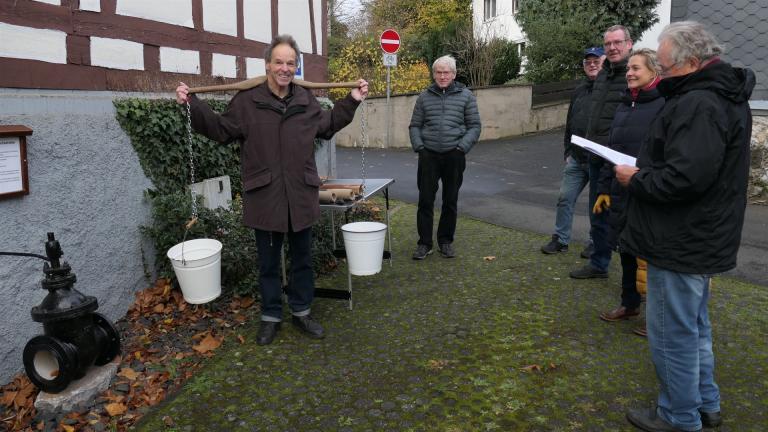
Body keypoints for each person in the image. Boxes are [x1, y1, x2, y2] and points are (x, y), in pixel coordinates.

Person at [175, 34, 369, 346]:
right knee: (267, 262)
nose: (284, 68)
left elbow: (329, 124)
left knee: (302, 259)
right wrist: (192, 106)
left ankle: (302, 311)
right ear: (267, 65)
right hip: (264, 195)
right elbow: (221, 130)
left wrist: (353, 100)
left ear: (296, 67)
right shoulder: (247, 102)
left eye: (290, 63)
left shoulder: (306, 101)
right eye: (278, 62)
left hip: (300, 193)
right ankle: (270, 316)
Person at [617, 22, 754, 431]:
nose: (660, 73)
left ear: (692, 63)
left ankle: (678, 416)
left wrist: (636, 178)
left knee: (671, 334)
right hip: (701, 234)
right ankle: (705, 404)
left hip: (680, 238)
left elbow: (684, 178)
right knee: (694, 328)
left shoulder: (699, 104)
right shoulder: (722, 96)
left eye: (665, 66)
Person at [595, 48, 664, 327]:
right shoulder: (625, 103)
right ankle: (629, 304)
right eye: (628, 69)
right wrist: (603, 187)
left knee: (648, 256)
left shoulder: (664, 104)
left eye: (636, 68)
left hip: (648, 189)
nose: (630, 73)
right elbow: (613, 149)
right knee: (625, 248)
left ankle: (657, 319)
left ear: (654, 71)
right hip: (621, 188)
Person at [569, 25, 633, 279]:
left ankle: (634, 279)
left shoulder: (633, 73)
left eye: (617, 42)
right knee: (598, 213)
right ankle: (599, 263)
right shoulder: (603, 75)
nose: (612, 48)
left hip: (622, 160)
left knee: (626, 218)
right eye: (608, 44)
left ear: (629, 43)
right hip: (596, 157)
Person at [409, 55, 482, 260]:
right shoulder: (424, 97)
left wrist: (461, 149)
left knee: (450, 200)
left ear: (454, 74)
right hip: (428, 155)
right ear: (434, 74)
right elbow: (415, 125)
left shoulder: (466, 96)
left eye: (446, 72)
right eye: (438, 72)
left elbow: (475, 126)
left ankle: (445, 241)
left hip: (454, 155)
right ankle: (425, 243)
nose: (442, 76)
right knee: (425, 201)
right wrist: (420, 148)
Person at [540, 46, 605, 256]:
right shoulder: (579, 90)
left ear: (604, 63)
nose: (592, 65)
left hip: (599, 159)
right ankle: (560, 239)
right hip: (576, 158)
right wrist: (567, 151)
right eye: (588, 62)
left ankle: (596, 242)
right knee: (565, 198)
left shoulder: (611, 89)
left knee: (596, 205)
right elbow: (569, 123)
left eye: (596, 61)